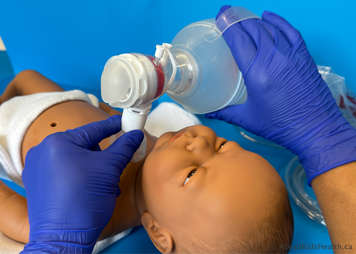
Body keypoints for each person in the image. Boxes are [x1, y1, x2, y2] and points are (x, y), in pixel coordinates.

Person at [4, 5, 356, 254]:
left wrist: (56, 241)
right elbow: (114, 111)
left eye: (191, 174)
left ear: (157, 232)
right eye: (220, 146)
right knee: (25, 76)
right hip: (57, 96)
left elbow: (19, 216)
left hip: (7, 133)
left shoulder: (83, 221)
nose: (197, 140)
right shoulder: (160, 138)